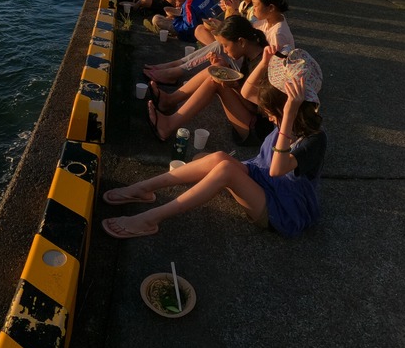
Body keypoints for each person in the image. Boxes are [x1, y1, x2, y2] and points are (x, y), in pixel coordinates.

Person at [102, 47, 326, 239]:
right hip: (263, 181)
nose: (268, 117)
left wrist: (286, 116)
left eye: (271, 113)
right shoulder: (284, 116)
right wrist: (265, 62)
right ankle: (143, 188)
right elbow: (247, 91)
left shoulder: (314, 138)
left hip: (282, 209)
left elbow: (277, 169)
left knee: (226, 170)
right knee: (219, 157)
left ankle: (149, 219)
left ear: (290, 107)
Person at [147, 16, 271, 143]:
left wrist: (234, 86)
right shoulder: (251, 53)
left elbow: (256, 108)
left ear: (241, 42)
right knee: (217, 68)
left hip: (256, 129)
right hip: (248, 115)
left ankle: (168, 125)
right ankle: (169, 100)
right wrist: (225, 67)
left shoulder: (262, 64)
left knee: (215, 81)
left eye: (226, 46)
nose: (224, 50)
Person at [143, 0, 268, 84]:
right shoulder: (243, 5)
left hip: (243, 57)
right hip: (237, 48)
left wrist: (233, 11)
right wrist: (229, 11)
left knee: (219, 46)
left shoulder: (258, 13)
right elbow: (231, 31)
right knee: (200, 30)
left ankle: (174, 72)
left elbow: (235, 36)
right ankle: (176, 65)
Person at [145, 0, 215, 42]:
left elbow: (188, 28)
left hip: (194, 35)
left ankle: (158, 28)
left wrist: (176, 18)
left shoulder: (188, 5)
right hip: (209, 27)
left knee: (156, 19)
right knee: (167, 18)